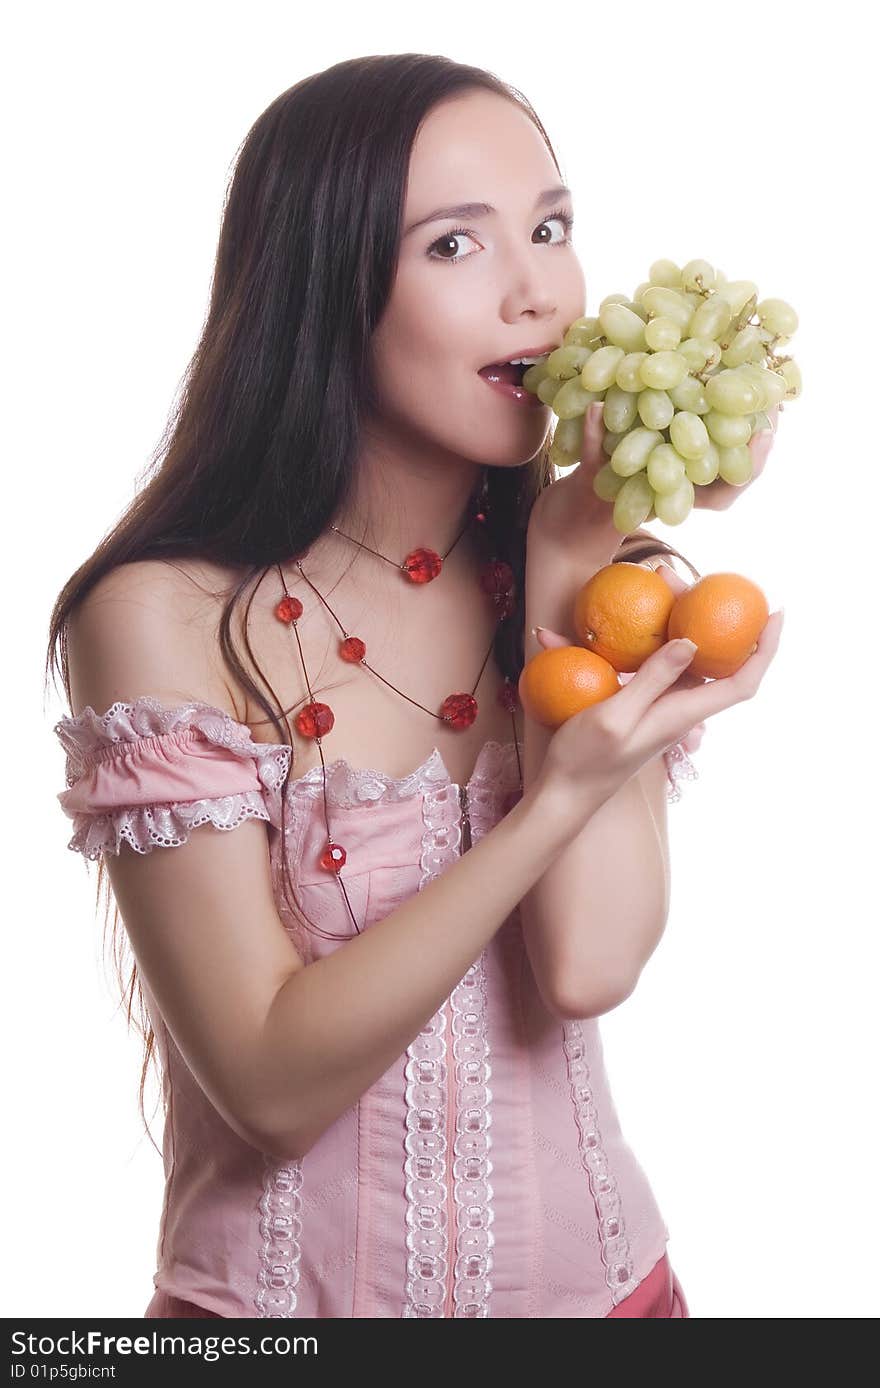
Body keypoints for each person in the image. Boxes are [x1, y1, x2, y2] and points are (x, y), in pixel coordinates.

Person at [47, 54, 782, 1319]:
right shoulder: (161, 617)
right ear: (325, 294)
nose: (537, 291)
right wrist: (554, 801)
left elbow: (589, 964)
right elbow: (269, 1083)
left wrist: (567, 560)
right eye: (454, 246)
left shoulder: (596, 589)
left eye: (550, 228)